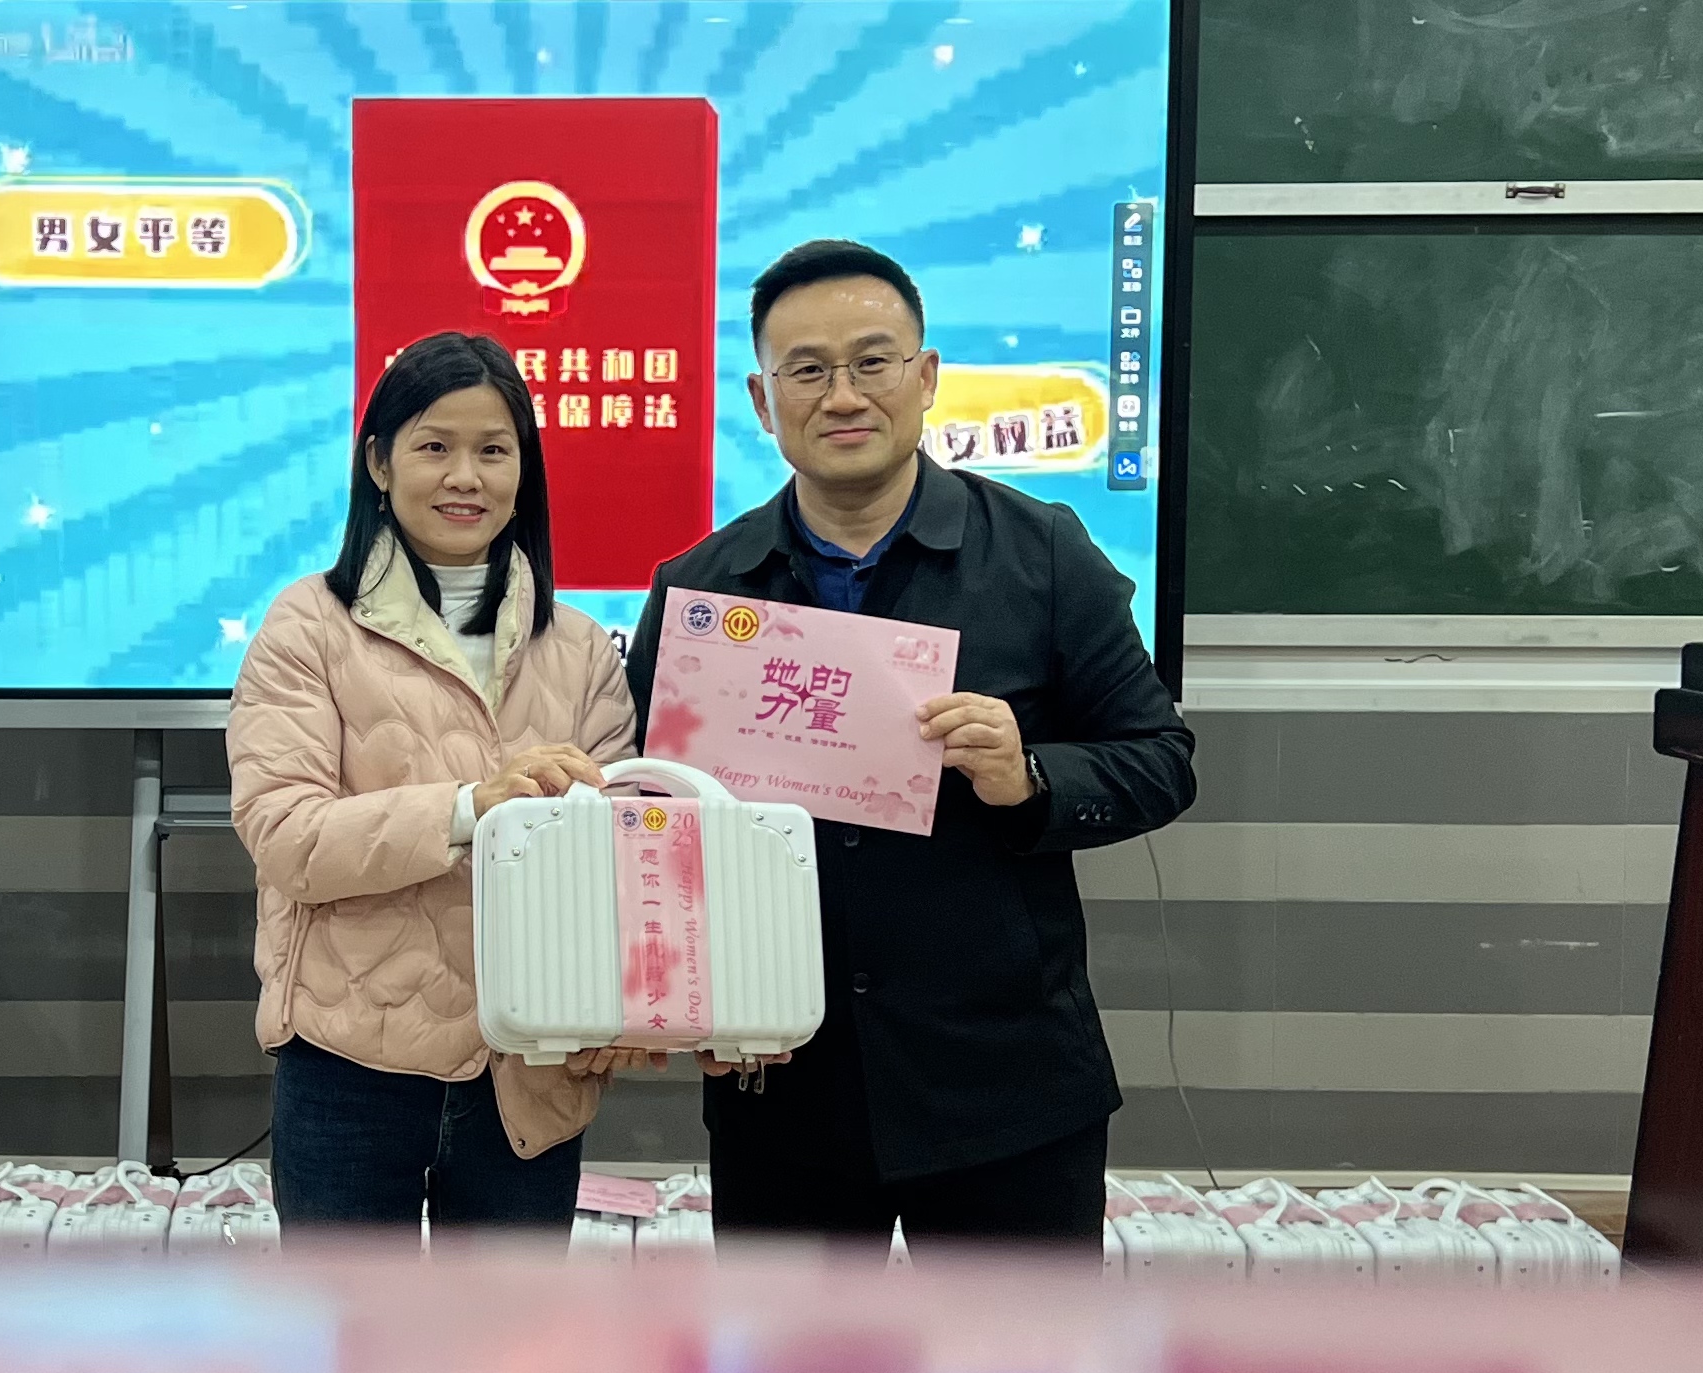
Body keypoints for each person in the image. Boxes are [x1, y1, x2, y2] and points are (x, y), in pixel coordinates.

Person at [624, 240, 1195, 1254]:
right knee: (792, 1365)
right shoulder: (702, 589)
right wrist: (680, 1001)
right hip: (781, 1090)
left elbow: (1161, 757)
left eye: (871, 361)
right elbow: (650, 822)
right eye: (807, 370)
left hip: (1006, 1093)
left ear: (925, 377)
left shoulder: (1042, 553)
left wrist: (1031, 777)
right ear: (762, 401)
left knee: (1011, 1364)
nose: (842, 395)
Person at [230, 332, 644, 1242]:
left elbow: (624, 861)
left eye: (494, 450)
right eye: (433, 446)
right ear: (379, 463)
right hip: (348, 1062)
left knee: (508, 1335)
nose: (466, 476)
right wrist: (470, 807)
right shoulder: (308, 627)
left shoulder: (580, 648)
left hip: (528, 1063)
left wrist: (623, 1007)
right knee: (349, 1331)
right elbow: (287, 836)